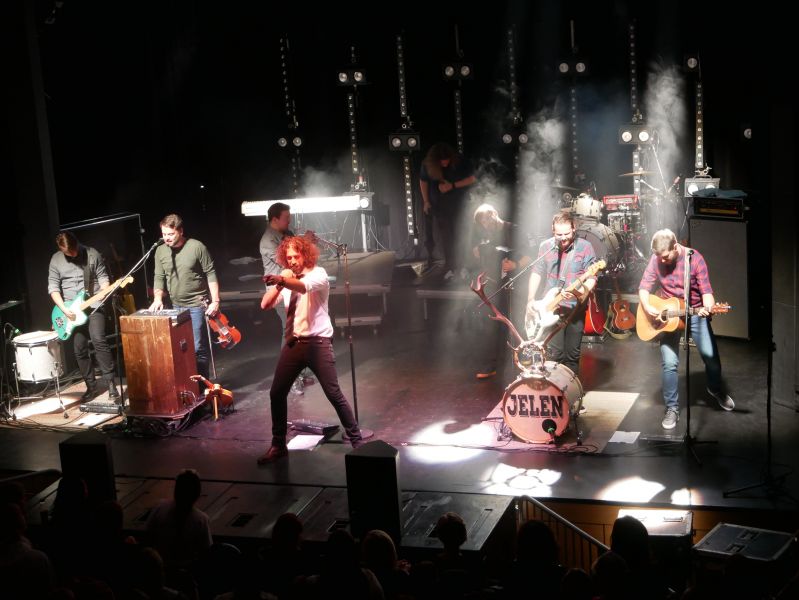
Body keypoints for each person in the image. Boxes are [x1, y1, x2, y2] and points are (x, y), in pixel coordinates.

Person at [257, 235, 363, 463]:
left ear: (305, 255)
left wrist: (283, 279)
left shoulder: (319, 274)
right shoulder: (287, 279)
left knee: (333, 393)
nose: (292, 261)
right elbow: (265, 304)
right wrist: (280, 282)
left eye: (296, 256)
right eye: (288, 258)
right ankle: (278, 445)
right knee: (276, 393)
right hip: (294, 344)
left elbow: (303, 288)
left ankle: (357, 442)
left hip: (318, 344)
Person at [638, 229, 734, 430]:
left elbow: (707, 293)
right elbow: (644, 287)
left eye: (665, 256)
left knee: (711, 358)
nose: (662, 260)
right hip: (669, 314)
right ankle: (672, 408)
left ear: (675, 247)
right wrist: (647, 307)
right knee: (669, 363)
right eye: (658, 256)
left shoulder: (695, 259)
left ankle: (715, 388)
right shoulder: (657, 258)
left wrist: (708, 308)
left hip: (695, 311)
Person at [48, 231, 119, 401]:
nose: (72, 255)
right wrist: (64, 309)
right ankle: (91, 387)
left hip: (93, 306)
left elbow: (103, 278)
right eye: (68, 253)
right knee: (79, 349)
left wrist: (104, 290)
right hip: (70, 312)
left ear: (77, 243)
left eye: (74, 251)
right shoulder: (56, 260)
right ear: (61, 249)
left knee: (98, 339)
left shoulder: (92, 254)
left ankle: (111, 384)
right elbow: (53, 288)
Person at [526, 211, 598, 375]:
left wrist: (579, 292)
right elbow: (536, 272)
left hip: (575, 309)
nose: (563, 238)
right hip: (551, 308)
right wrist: (530, 299)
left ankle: (570, 389)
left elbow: (592, 278)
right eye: (559, 235)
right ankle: (555, 388)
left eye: (567, 234)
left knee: (572, 356)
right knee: (554, 355)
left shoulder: (585, 247)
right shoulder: (546, 247)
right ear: (553, 230)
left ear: (574, 228)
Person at [149, 213, 219, 380]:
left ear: (180, 231)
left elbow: (210, 273)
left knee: (197, 347)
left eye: (170, 234)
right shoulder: (160, 251)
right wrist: (157, 298)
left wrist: (216, 301)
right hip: (175, 306)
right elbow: (159, 276)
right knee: (181, 348)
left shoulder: (196, 247)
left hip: (197, 305)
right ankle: (188, 385)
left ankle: (203, 387)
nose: (166, 238)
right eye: (164, 234)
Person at [260, 201, 315, 395]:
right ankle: (290, 378)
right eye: (286, 218)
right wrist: (304, 242)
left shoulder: (287, 234)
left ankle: (300, 372)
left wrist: (307, 245)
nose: (289, 221)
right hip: (279, 291)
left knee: (300, 329)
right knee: (290, 332)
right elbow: (287, 260)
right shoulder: (268, 241)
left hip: (292, 287)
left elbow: (299, 259)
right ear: (275, 219)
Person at [472, 203, 530, 379]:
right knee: (493, 323)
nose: (486, 224)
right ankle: (492, 364)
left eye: (487, 219)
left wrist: (516, 264)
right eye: (482, 222)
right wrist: (479, 252)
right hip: (495, 285)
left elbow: (531, 255)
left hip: (517, 283)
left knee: (517, 322)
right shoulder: (486, 235)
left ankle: (526, 360)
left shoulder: (514, 229)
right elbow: (480, 256)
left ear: (494, 213)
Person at [419, 142, 476, 281]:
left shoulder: (461, 161)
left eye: (447, 160)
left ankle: (464, 267)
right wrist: (426, 201)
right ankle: (450, 267)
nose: (445, 163)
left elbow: (473, 178)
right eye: (441, 161)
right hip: (440, 207)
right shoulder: (427, 164)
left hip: (460, 205)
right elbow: (423, 181)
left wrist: (453, 185)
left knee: (462, 236)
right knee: (446, 238)